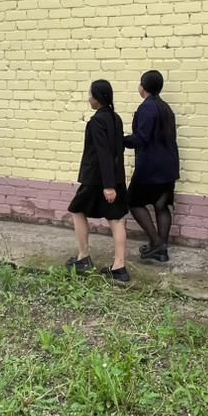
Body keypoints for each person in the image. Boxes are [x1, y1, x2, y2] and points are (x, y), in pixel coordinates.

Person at [66, 80, 130, 285]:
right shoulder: (116, 118)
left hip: (97, 179)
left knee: (77, 210)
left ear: (98, 98)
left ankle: (83, 258)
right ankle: (119, 267)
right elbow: (117, 149)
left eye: (90, 95)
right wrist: (113, 182)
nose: (89, 99)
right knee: (116, 219)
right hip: (115, 177)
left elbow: (103, 153)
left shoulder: (97, 122)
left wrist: (108, 186)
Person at [124, 69, 179, 263]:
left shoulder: (147, 108)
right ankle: (161, 251)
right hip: (169, 165)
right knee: (161, 206)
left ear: (143, 87)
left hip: (151, 167)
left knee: (133, 202)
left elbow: (141, 138)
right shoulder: (166, 108)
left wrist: (120, 140)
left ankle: (157, 243)